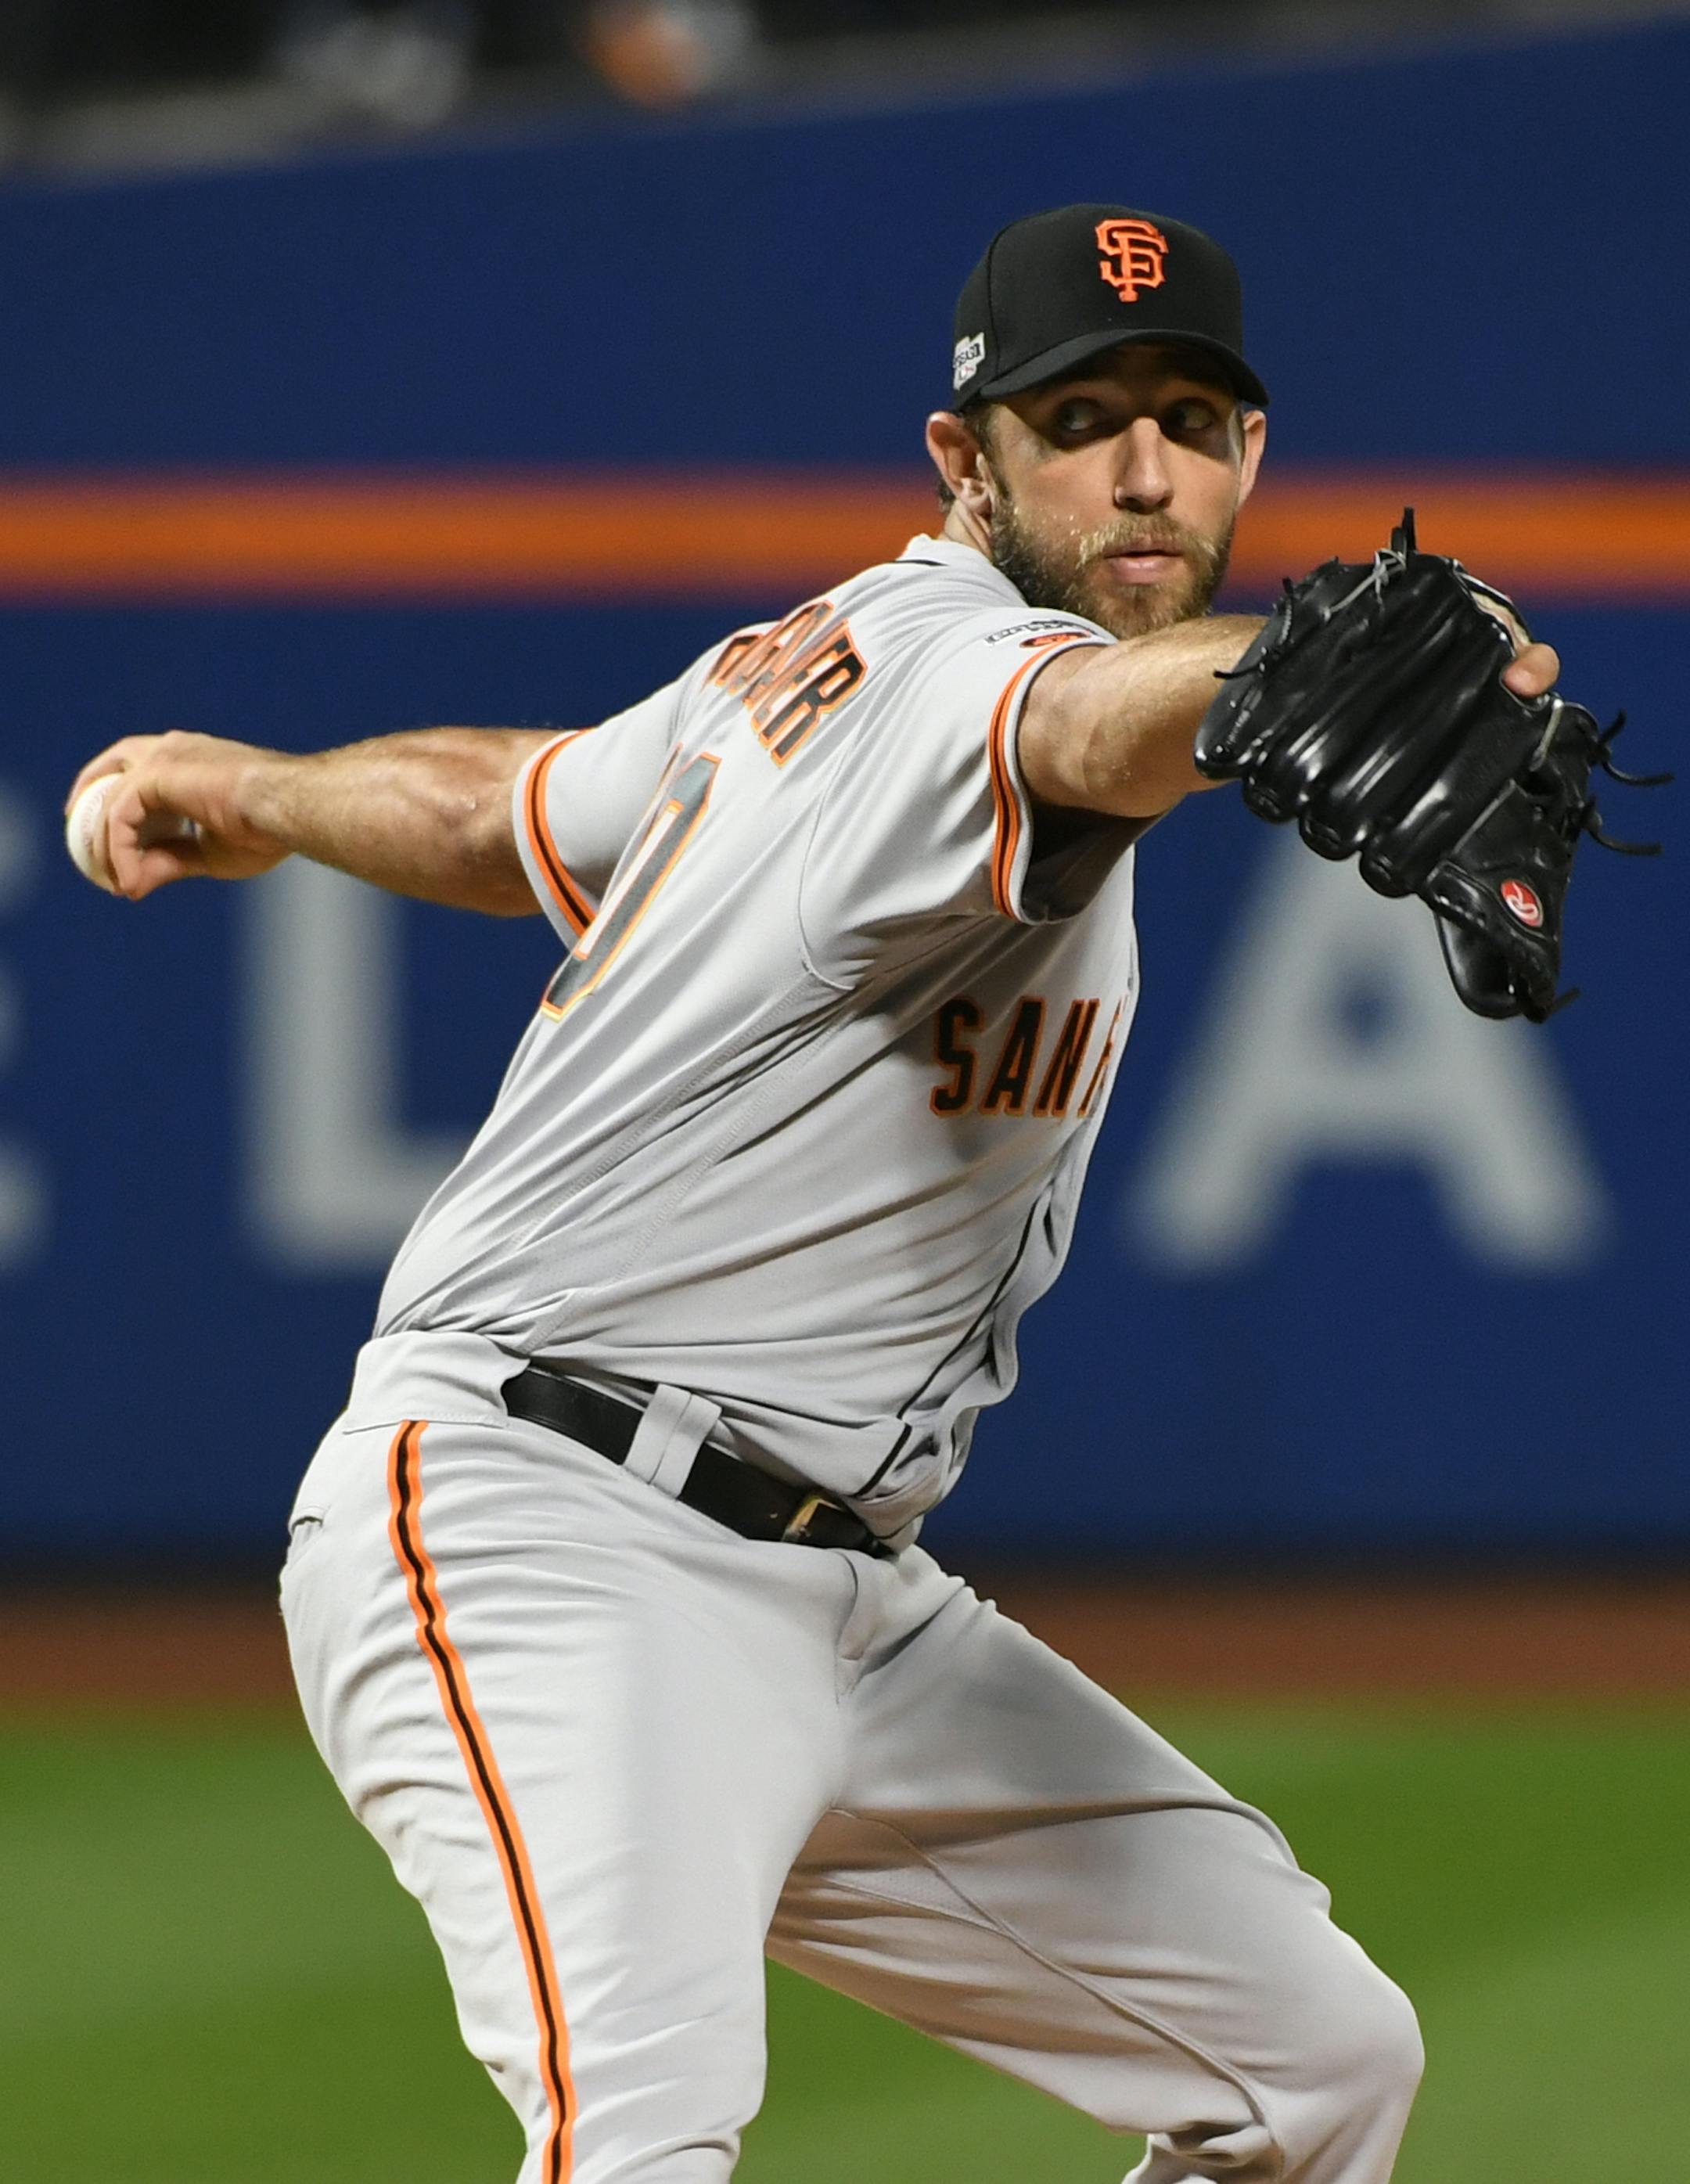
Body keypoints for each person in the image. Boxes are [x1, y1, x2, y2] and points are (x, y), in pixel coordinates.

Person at [72, 203, 1559, 2183]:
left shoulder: (785, 678)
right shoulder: (957, 681)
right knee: (643, 2146)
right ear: (968, 465)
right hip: (550, 1525)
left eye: (1191, 419)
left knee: (1312, 2064)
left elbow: (510, 801)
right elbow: (1074, 721)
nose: (1142, 468)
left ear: (1253, 459)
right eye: (1080, 416)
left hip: (845, 1596)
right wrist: (1267, 670)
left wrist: (253, 791)